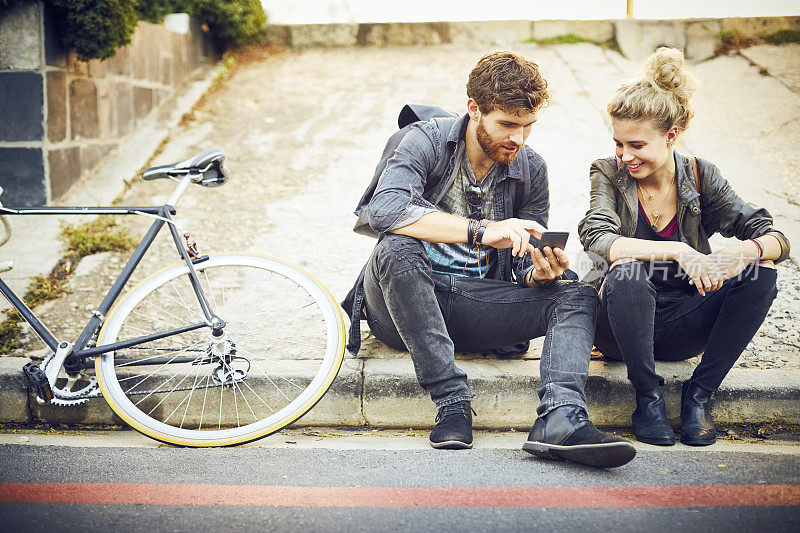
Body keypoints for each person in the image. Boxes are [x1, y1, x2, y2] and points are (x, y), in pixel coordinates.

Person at [342, 51, 636, 468]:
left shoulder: (530, 168)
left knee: (577, 294)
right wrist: (481, 231)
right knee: (396, 246)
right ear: (474, 109)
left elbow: (520, 261)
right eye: (508, 124)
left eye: (528, 126)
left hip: (474, 304)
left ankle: (561, 417)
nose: (518, 138)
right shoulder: (426, 140)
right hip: (400, 303)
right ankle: (452, 402)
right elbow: (385, 209)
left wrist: (537, 272)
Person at [578, 47, 790, 447]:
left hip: (683, 324)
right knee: (626, 271)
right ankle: (648, 398)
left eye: (636, 145)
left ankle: (700, 396)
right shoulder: (607, 171)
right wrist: (678, 251)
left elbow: (775, 237)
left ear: (670, 136)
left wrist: (746, 251)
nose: (624, 156)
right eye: (619, 143)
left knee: (762, 274)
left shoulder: (699, 175)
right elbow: (597, 237)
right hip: (619, 325)